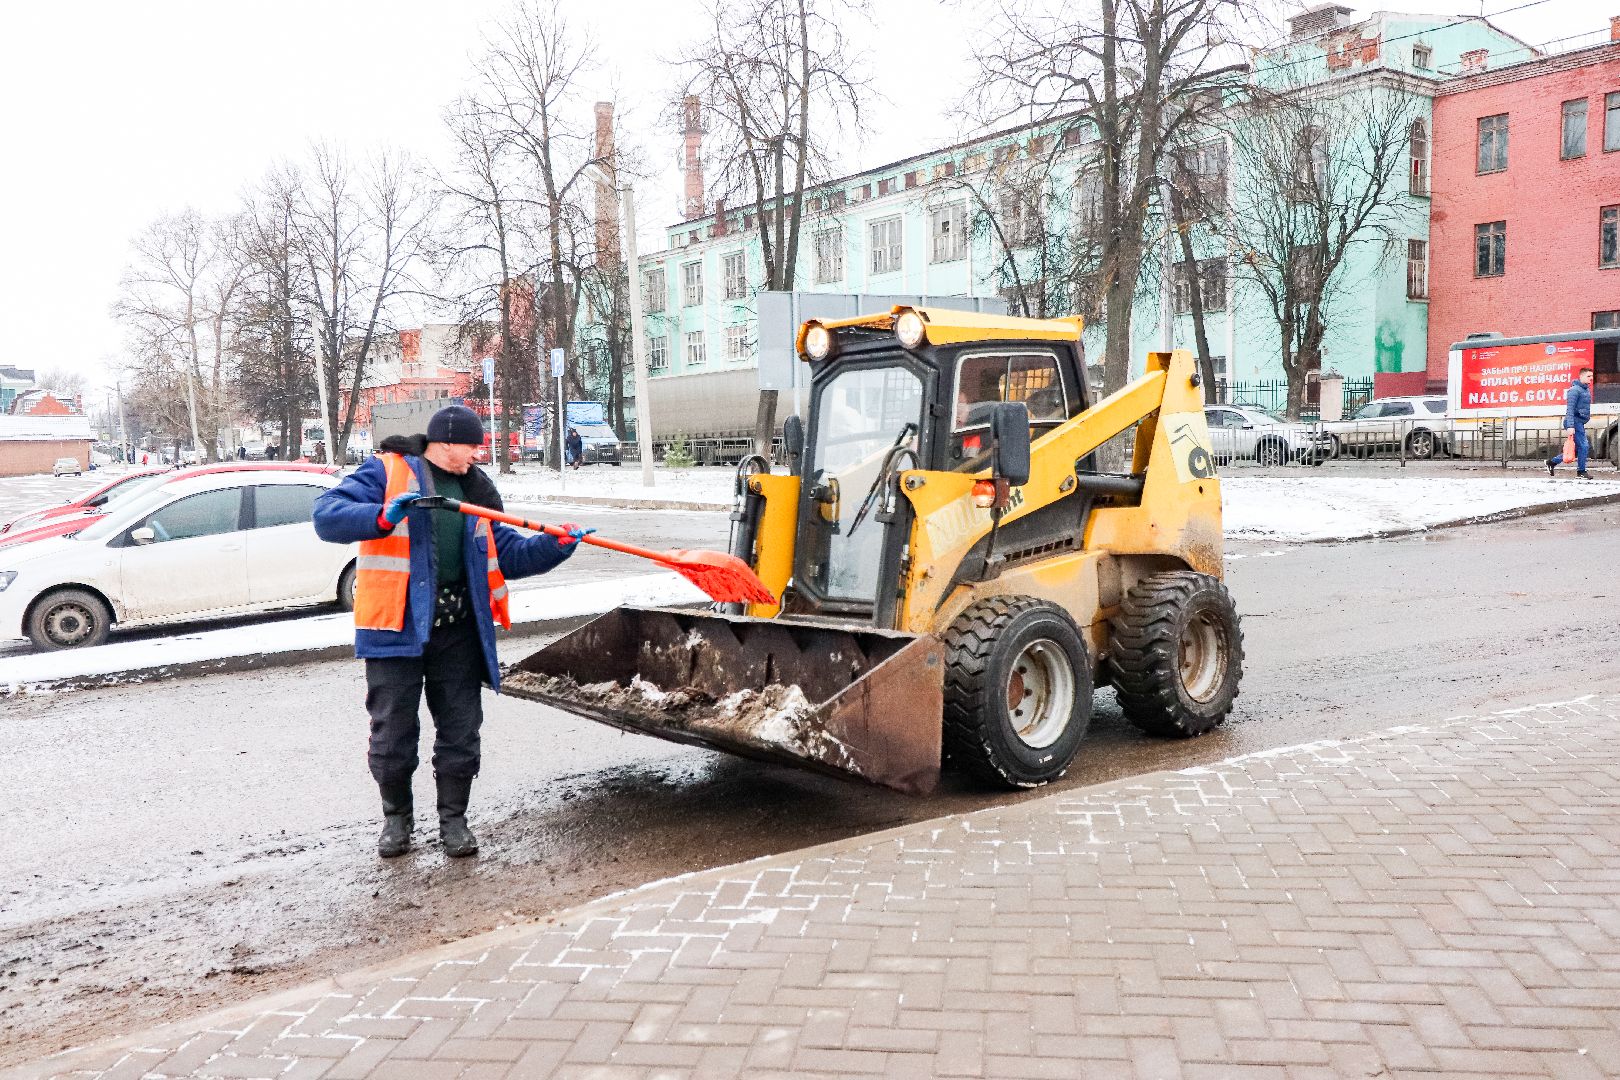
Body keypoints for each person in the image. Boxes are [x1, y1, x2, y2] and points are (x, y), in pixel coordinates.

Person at [313, 404, 594, 859]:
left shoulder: (477, 489)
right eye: (472, 447)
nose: (477, 457)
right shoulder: (387, 470)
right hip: (397, 629)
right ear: (445, 444)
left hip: (459, 631)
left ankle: (454, 821)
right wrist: (384, 516)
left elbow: (509, 555)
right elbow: (327, 517)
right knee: (393, 734)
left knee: (461, 732)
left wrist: (554, 546)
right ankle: (396, 821)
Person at [1547, 367, 1594, 479]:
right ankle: (1581, 472)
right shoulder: (1574, 390)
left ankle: (1552, 462)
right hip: (1574, 421)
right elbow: (1570, 409)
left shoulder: (1585, 390)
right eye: (1588, 376)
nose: (1591, 379)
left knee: (1578, 449)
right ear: (1581, 376)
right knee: (1584, 446)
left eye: (1592, 376)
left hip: (1579, 422)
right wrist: (1570, 426)